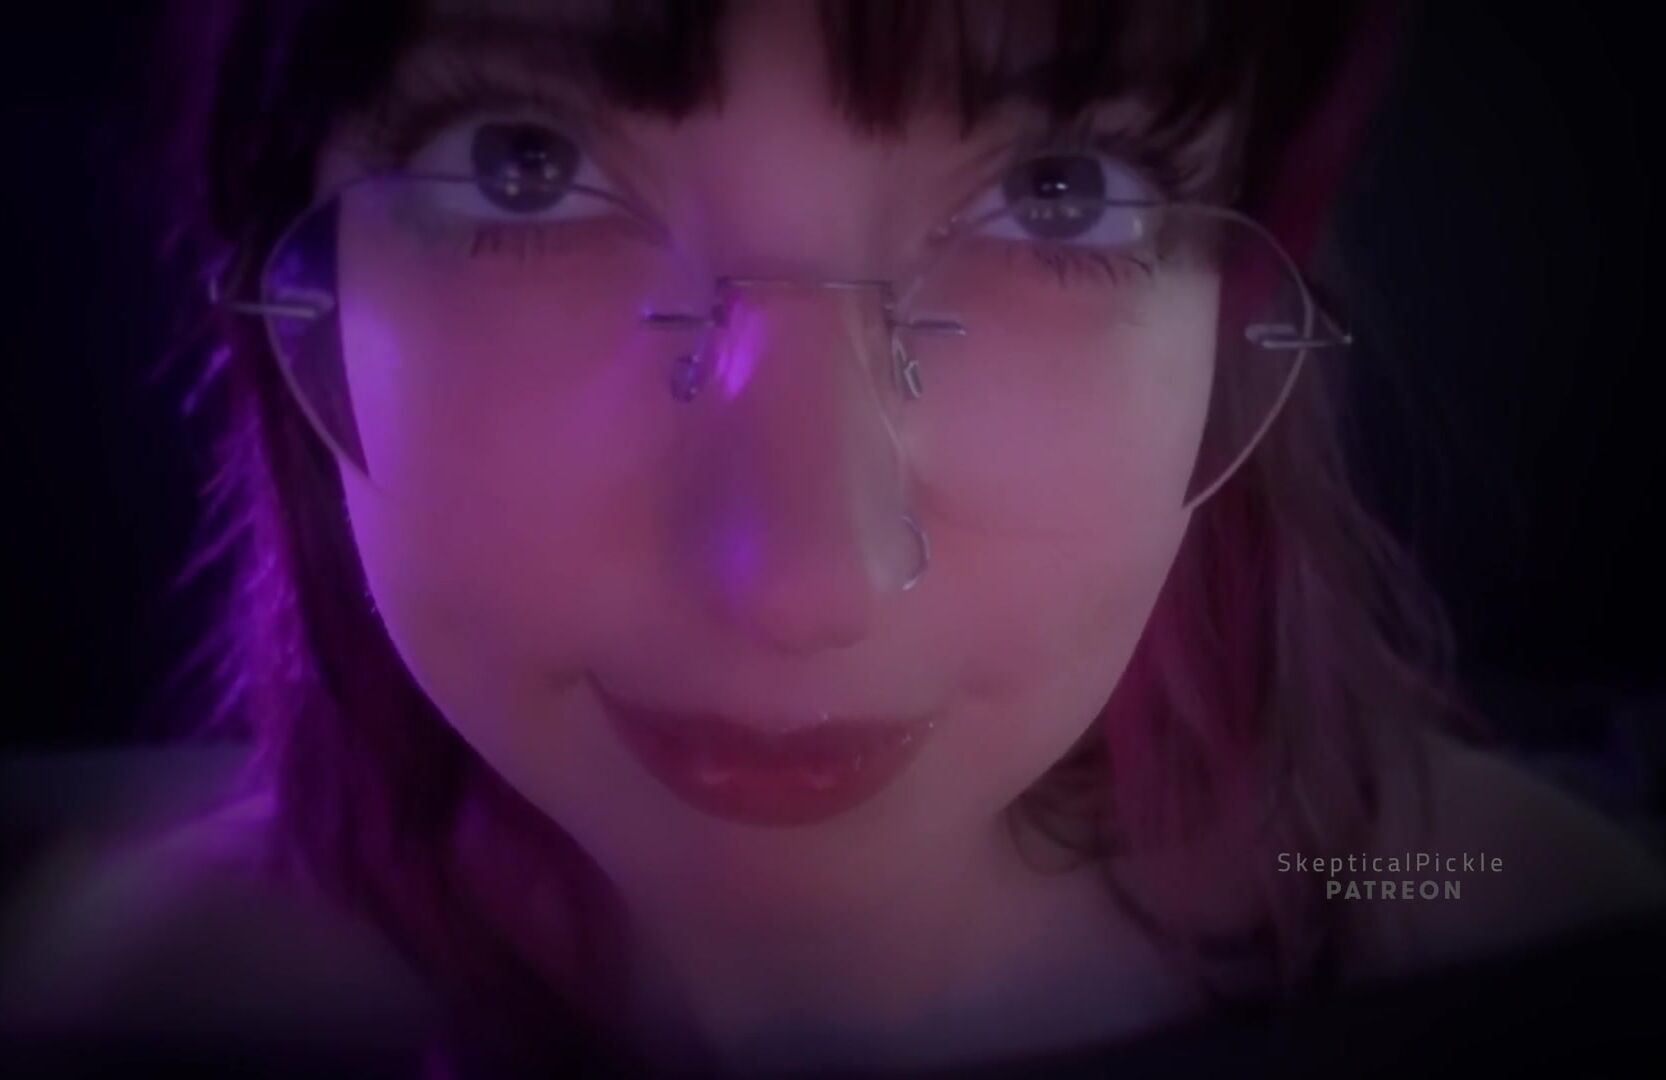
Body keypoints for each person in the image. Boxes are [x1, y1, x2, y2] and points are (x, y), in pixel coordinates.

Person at [2, 1, 1662, 1077]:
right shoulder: (123, 1012)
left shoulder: (1510, 931)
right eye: (522, 167)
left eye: (1062, 190)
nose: (801, 585)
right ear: (290, 284)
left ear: (1227, 319)